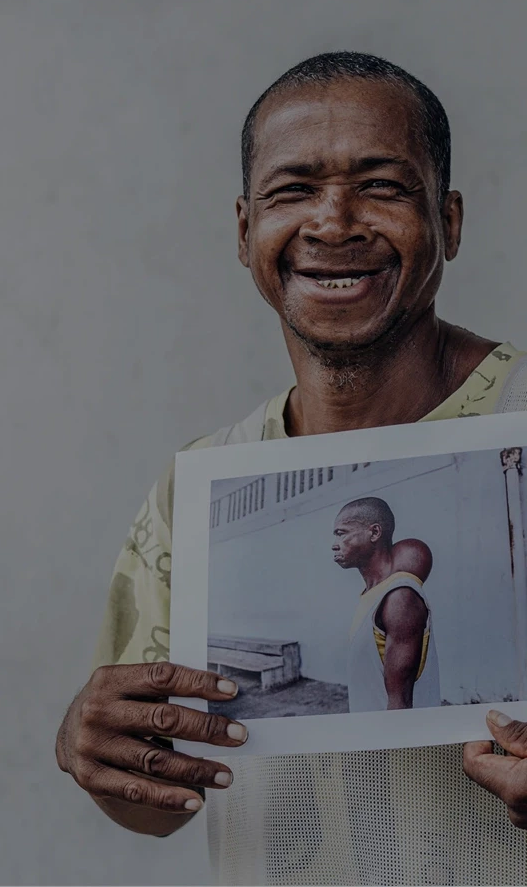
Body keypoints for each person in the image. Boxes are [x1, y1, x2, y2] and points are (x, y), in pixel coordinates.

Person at [55, 52, 527, 885]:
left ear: (449, 221)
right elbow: (150, 800)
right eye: (292, 191)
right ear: (245, 233)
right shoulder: (199, 484)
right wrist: (97, 749)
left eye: (382, 185)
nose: (334, 222)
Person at [332, 497, 440, 712]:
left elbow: (400, 703)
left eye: (342, 533)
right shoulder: (372, 595)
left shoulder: (399, 597)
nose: (334, 545)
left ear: (374, 533)